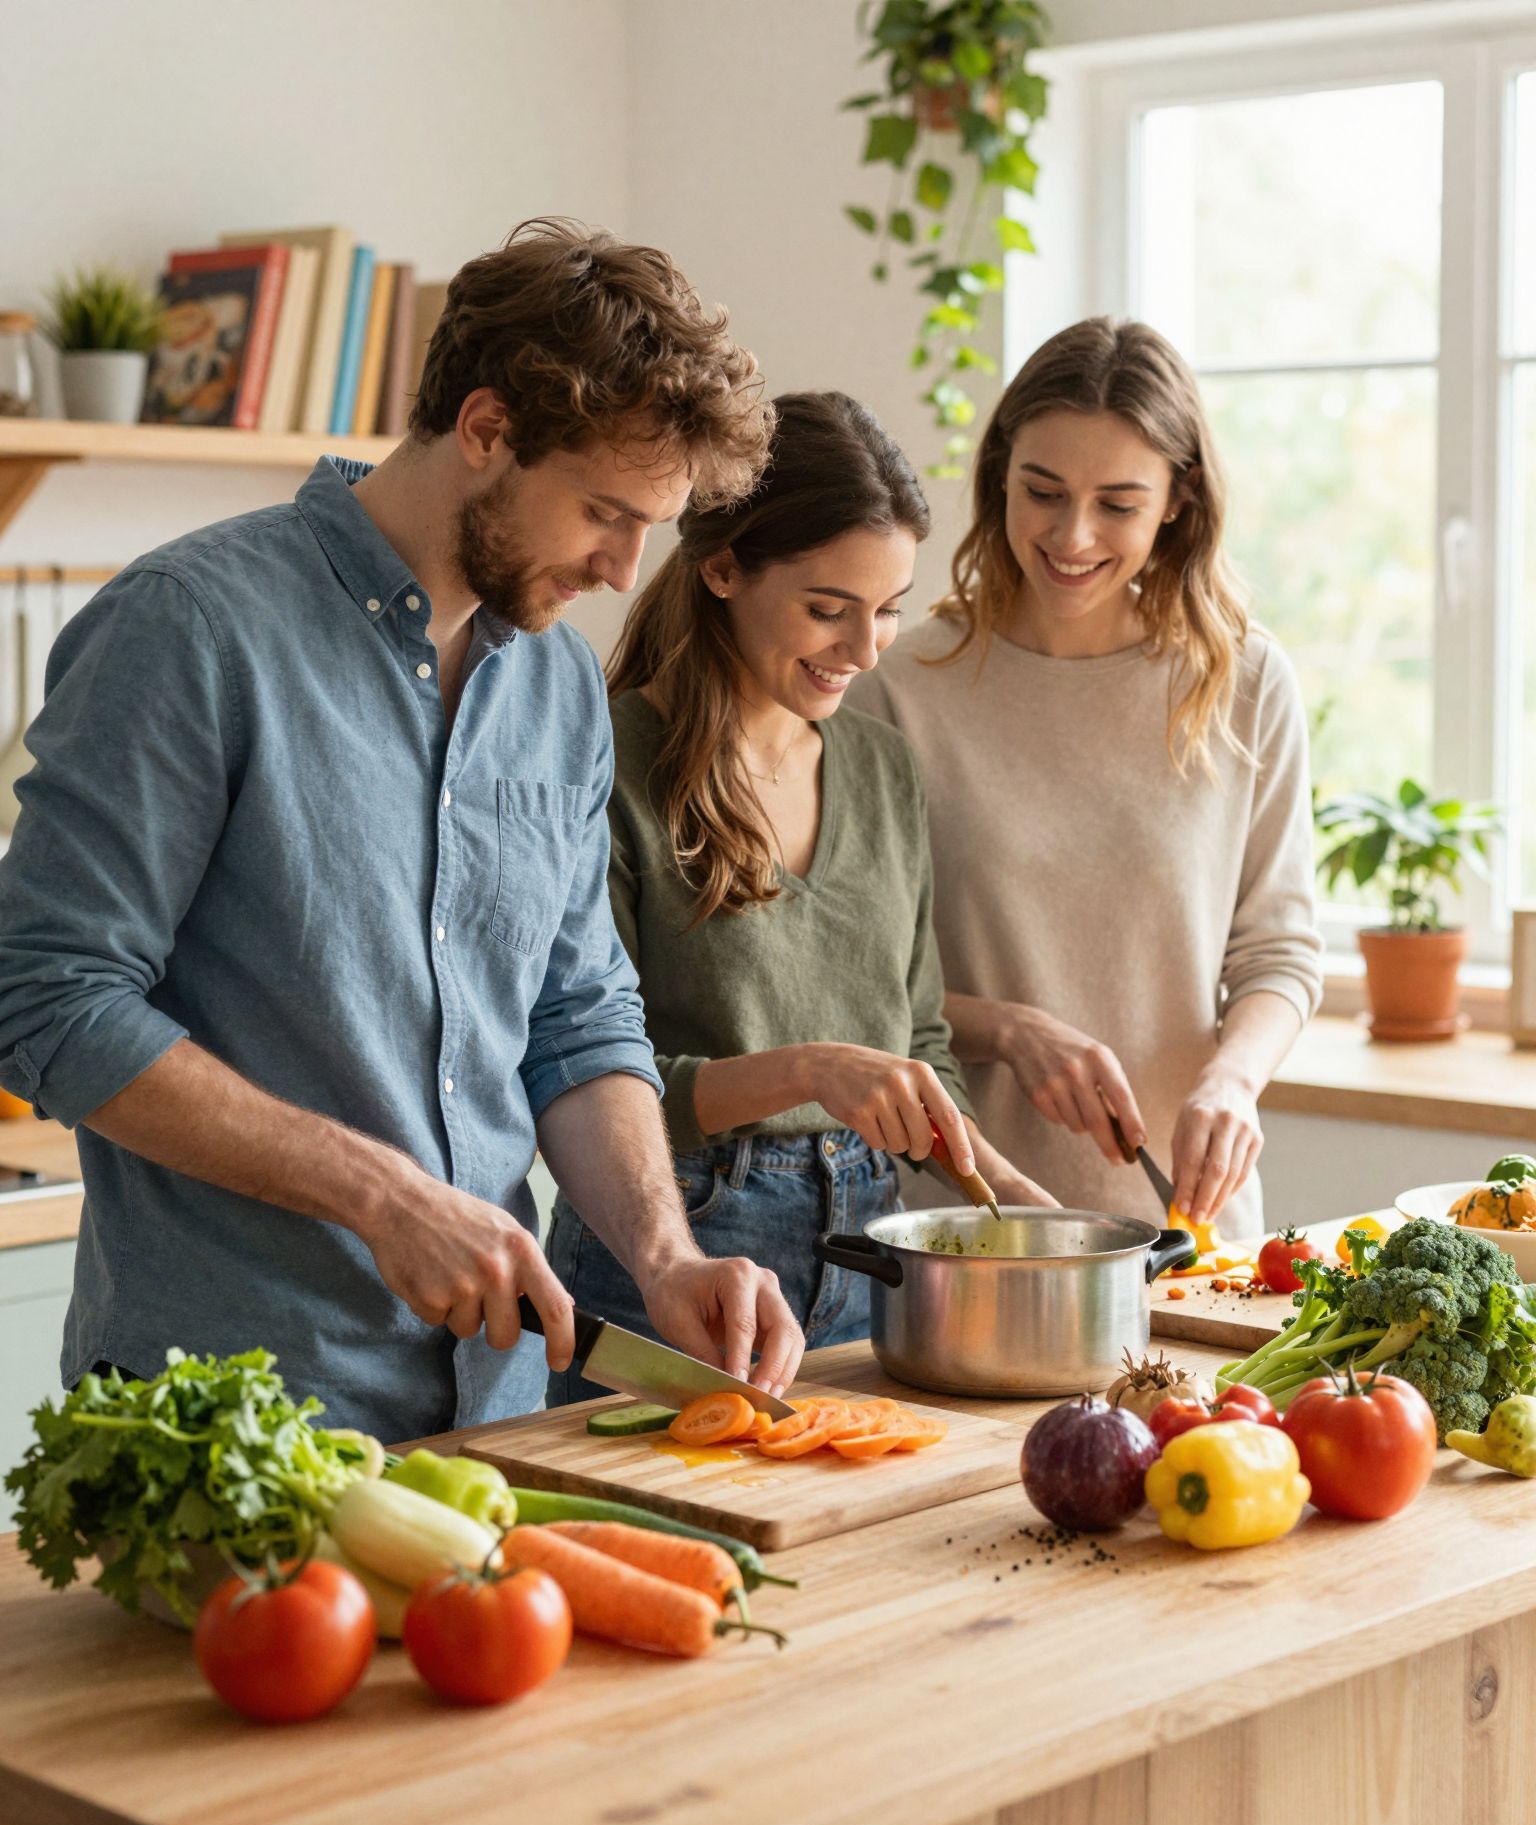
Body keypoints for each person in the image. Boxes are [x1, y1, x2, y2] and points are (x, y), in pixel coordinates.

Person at [0, 218, 806, 1440]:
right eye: (603, 510)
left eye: (655, 525)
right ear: (486, 429)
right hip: (225, 1411)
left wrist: (663, 1256)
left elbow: (574, 1011)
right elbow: (45, 996)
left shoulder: (555, 687)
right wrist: (384, 1195)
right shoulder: (191, 628)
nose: (625, 567)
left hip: (492, 1404)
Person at [547, 391, 1054, 1400]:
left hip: (875, 1248)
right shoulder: (604, 756)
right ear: (724, 567)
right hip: (681, 1251)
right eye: (829, 608)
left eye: (890, 608)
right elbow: (591, 1064)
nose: (867, 650)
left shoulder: (881, 767)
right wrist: (812, 1070)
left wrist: (1018, 1201)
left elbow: (919, 1049)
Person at [851, 318, 1323, 1244]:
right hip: (972, 1224)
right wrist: (1011, 1030)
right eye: (1044, 492)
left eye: (1118, 503)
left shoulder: (1247, 682)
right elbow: (856, 982)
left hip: (1192, 1231)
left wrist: (1232, 1080)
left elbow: (1278, 951)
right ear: (1000, 478)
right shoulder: (899, 686)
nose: (1072, 536)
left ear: (1179, 500)